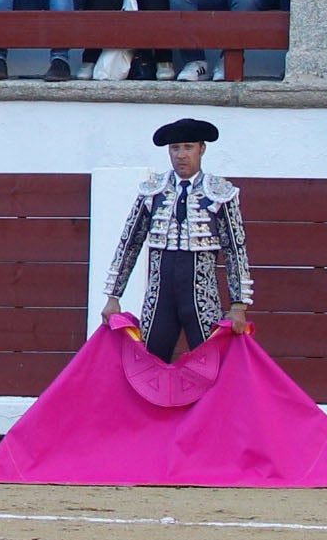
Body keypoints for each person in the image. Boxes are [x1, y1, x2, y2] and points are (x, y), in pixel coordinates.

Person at [101, 117, 249, 363]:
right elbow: (129, 245)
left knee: (211, 366)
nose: (181, 155)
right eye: (175, 148)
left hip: (202, 295)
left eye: (188, 147)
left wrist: (238, 305)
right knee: (148, 366)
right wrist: (113, 297)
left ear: (202, 149)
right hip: (160, 295)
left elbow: (236, 251)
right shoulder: (153, 191)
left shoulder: (220, 193)